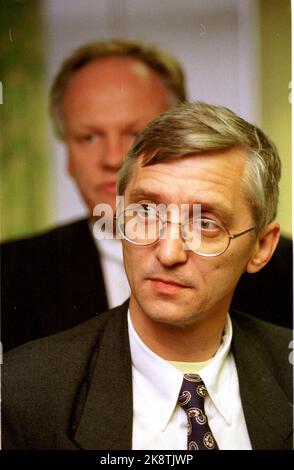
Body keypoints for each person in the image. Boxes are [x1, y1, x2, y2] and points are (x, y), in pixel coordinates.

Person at [2, 102, 292, 450]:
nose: (168, 253)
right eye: (146, 212)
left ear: (261, 247)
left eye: (205, 224)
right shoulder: (21, 393)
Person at [1, 40, 292, 353]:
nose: (113, 158)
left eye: (137, 135)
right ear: (68, 157)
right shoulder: (8, 274)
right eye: (88, 137)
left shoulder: (285, 271)